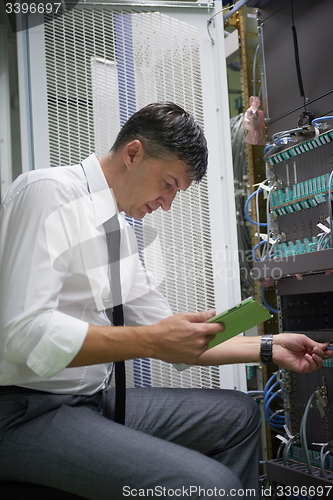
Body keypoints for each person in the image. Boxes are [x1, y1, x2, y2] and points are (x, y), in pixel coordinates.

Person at [0, 102, 331, 500]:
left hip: (89, 400)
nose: (167, 203)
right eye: (169, 183)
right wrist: (152, 340)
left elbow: (179, 344)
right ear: (133, 153)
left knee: (240, 416)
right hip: (22, 412)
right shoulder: (48, 193)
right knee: (213, 486)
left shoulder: (115, 230)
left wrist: (269, 347)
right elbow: (22, 334)